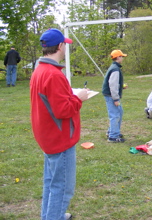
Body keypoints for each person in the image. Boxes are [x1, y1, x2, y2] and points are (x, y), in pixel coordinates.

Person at [30, 28, 89, 220]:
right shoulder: (54, 75)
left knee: (51, 182)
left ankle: (50, 216)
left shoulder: (40, 70)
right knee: (62, 188)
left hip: (48, 136)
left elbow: (52, 102)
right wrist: (78, 98)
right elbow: (63, 110)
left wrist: (69, 96)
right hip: (59, 138)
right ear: (61, 46)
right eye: (65, 45)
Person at [102, 49, 128, 143]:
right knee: (115, 115)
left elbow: (114, 83)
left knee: (119, 112)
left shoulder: (114, 67)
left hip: (110, 95)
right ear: (117, 57)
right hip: (111, 96)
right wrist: (116, 99)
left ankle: (112, 131)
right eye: (121, 56)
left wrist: (121, 86)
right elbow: (112, 85)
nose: (122, 58)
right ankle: (113, 136)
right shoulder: (115, 69)